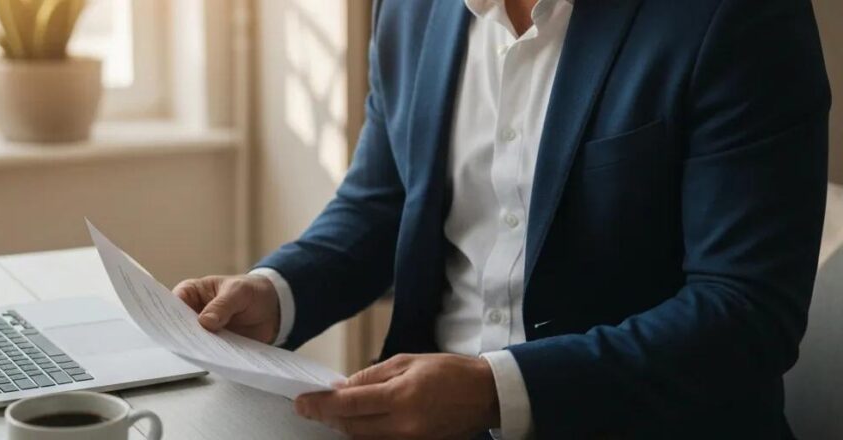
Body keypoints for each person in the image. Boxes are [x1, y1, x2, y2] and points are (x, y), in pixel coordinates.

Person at [173, 0, 831, 438]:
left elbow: (746, 313)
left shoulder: (737, 16)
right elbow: (384, 200)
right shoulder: (411, 10)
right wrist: (274, 292)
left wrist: (496, 388)